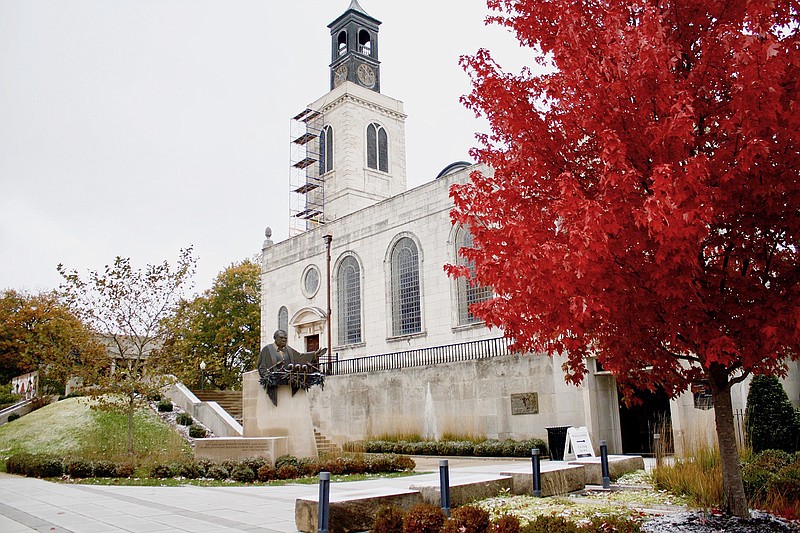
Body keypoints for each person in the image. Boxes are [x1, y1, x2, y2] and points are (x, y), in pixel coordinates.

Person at [257, 329, 327, 379]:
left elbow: (300, 357)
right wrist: (267, 377)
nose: (284, 340)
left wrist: (314, 354)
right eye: (281, 338)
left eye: (285, 338)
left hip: (288, 380)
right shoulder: (267, 349)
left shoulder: (288, 350)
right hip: (274, 382)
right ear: (275, 338)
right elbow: (262, 366)